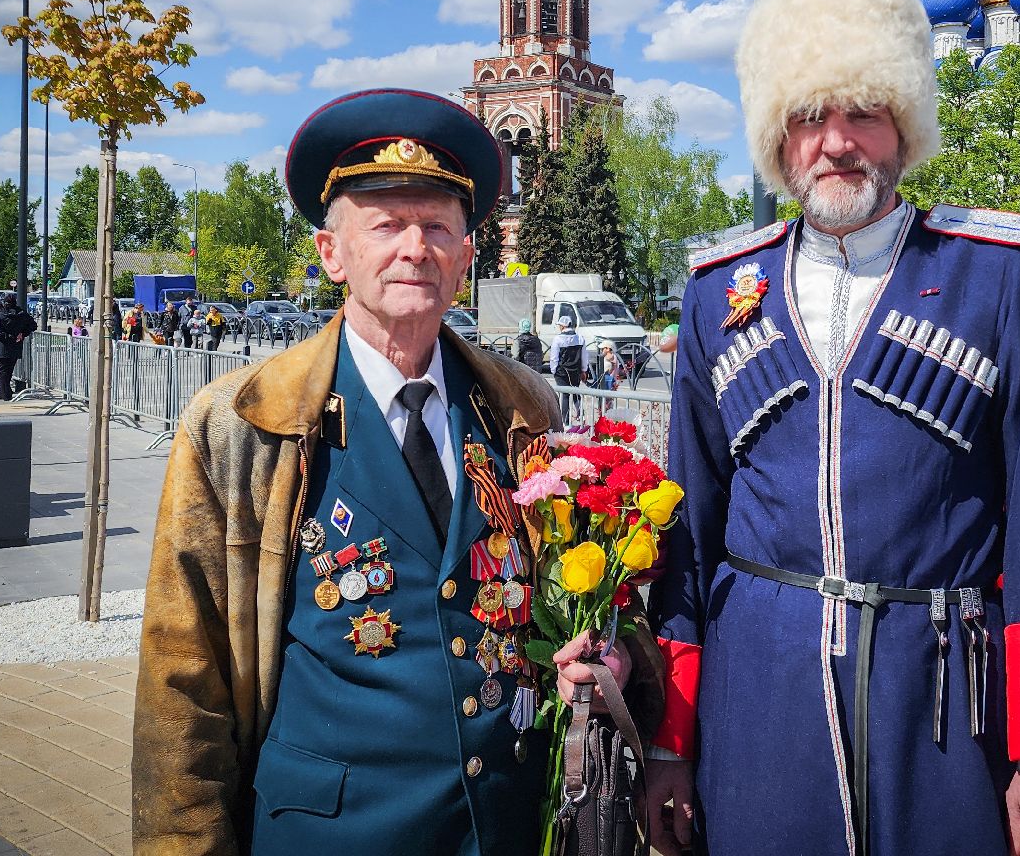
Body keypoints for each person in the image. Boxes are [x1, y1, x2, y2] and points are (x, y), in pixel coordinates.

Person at [646, 0, 1020, 856]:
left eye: (863, 112)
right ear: (779, 136)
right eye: (810, 116)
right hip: (758, 704)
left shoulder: (1001, 272)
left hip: (944, 706)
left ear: (905, 126)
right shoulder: (716, 294)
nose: (837, 141)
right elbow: (686, 533)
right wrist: (669, 740)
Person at [131, 88, 662, 855]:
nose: (415, 247)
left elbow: (578, 599)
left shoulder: (523, 408)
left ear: (467, 257)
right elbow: (183, 681)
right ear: (331, 253)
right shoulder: (243, 424)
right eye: (385, 225)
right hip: (335, 834)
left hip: (509, 827)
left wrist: (600, 655)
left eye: (439, 227)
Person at [0, 297, 36, 401]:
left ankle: (6, 394)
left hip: (0, 347)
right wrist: (22, 334)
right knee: (8, 371)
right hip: (15, 346)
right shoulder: (22, 314)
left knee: (1, 372)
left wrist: (11, 336)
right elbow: (33, 325)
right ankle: (0, 392)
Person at [545, 314, 584, 420]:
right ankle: (581, 416)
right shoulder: (580, 338)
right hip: (576, 370)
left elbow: (554, 357)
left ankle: (564, 420)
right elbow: (584, 355)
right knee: (576, 392)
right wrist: (584, 370)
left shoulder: (558, 339)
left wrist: (554, 370)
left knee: (564, 395)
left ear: (563, 326)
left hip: (562, 371)